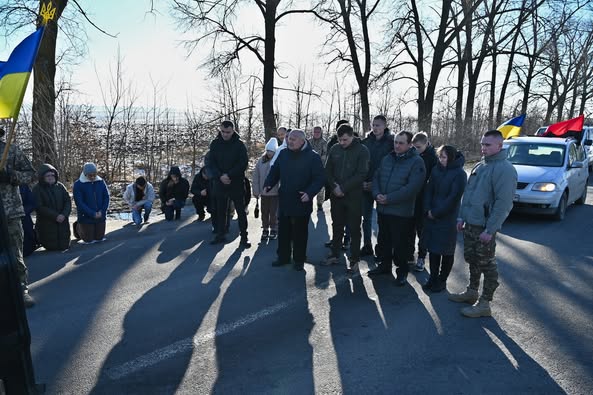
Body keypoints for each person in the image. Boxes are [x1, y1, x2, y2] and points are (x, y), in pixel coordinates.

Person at [449, 129, 517, 318]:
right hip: (470, 223)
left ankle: (485, 303)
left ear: (499, 146)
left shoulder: (505, 169)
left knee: (487, 264)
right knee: (473, 259)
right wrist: (461, 217)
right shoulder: (480, 166)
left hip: (484, 227)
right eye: (482, 144)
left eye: (488, 145)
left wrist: (490, 229)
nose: (483, 148)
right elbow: (469, 195)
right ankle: (472, 292)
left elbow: (504, 204)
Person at [368, 131, 426, 286]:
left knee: (401, 244)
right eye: (396, 142)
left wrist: (389, 198)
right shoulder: (387, 158)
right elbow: (377, 177)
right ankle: (384, 266)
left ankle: (402, 271)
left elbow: (412, 188)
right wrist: (377, 194)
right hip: (383, 209)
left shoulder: (416, 162)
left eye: (401, 143)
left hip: (401, 212)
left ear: (409, 144)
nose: (397, 145)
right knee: (384, 240)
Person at [264, 129, 325, 271]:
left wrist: (310, 193)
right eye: (289, 138)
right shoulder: (284, 154)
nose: (289, 141)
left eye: (293, 139)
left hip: (302, 199)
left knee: (300, 232)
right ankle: (283, 257)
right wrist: (268, 183)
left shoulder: (312, 157)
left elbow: (319, 178)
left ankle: (299, 259)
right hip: (285, 198)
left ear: (302, 141)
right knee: (284, 230)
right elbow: (275, 171)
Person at [323, 124, 369, 273]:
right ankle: (334, 254)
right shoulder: (334, 149)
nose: (342, 143)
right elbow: (327, 170)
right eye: (340, 140)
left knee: (354, 228)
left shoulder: (362, 150)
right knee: (337, 226)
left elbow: (362, 174)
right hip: (336, 196)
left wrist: (343, 188)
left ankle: (354, 260)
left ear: (352, 136)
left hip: (353, 196)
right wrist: (334, 187)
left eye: (345, 140)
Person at [422, 146, 467, 292]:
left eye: (444, 157)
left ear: (451, 158)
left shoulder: (459, 174)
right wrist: (428, 209)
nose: (441, 160)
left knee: (446, 251)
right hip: (431, 215)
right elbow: (429, 190)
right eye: (440, 156)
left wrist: (436, 213)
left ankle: (442, 280)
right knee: (433, 249)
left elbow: (453, 198)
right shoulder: (436, 170)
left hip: (448, 218)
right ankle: (433, 277)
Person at [0, 127, 36, 307]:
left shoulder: (10, 150)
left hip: (10, 212)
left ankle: (21, 289)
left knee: (15, 253)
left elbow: (31, 173)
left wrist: (10, 176)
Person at [208, 120, 251, 248]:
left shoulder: (239, 145)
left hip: (236, 182)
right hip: (220, 182)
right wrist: (220, 176)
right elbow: (211, 163)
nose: (225, 134)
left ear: (233, 131)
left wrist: (229, 175)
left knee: (240, 211)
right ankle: (221, 234)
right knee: (220, 210)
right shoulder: (215, 144)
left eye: (228, 132)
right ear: (220, 130)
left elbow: (243, 163)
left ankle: (244, 237)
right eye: (223, 131)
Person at [361, 115, 394, 259]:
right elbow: (361, 164)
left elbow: (392, 167)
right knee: (366, 218)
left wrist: (376, 184)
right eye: (373, 125)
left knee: (383, 220)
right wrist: (363, 181)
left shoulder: (391, 143)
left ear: (385, 126)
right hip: (365, 185)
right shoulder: (366, 142)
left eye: (378, 125)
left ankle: (382, 248)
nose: (375, 128)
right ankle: (367, 245)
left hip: (383, 186)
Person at [410, 131, 438, 271]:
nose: (415, 150)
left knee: (422, 231)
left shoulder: (433, 159)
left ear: (426, 144)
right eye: (414, 147)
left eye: (419, 147)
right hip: (411, 198)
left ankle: (421, 257)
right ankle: (409, 254)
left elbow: (434, 181)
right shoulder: (411, 156)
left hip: (424, 199)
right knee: (409, 228)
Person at [32, 164, 72, 251]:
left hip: (63, 221)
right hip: (47, 224)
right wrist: (55, 216)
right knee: (51, 246)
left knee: (64, 244)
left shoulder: (60, 187)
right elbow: (39, 207)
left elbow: (68, 202)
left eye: (52, 175)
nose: (50, 177)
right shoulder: (37, 189)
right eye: (48, 176)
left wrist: (64, 214)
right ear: (42, 177)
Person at [73, 162, 110, 243]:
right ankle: (78, 227)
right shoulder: (78, 184)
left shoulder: (101, 182)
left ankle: (89, 228)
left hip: (100, 215)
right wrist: (92, 213)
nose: (93, 177)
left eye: (94, 174)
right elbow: (79, 203)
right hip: (86, 216)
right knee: (88, 239)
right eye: (90, 175)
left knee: (99, 238)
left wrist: (102, 211)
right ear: (85, 174)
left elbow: (106, 197)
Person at [252, 138, 280, 241]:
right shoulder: (261, 161)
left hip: (274, 193)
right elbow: (256, 176)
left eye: (271, 151)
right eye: (268, 151)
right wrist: (255, 190)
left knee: (273, 212)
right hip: (263, 193)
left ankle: (273, 228)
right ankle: (265, 229)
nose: (269, 153)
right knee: (264, 213)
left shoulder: (277, 161)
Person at [309, 126, 328, 211]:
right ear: (312, 132)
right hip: (309, 168)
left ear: (321, 133)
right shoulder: (308, 142)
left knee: (321, 188)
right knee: (309, 186)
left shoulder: (324, 142)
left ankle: (319, 203)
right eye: (315, 132)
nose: (316, 133)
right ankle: (308, 202)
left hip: (320, 167)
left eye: (318, 132)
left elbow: (325, 155)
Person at [20, 184, 39, 257]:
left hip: (24, 220)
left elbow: (32, 203)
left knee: (27, 250)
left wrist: (21, 212)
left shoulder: (22, 185)